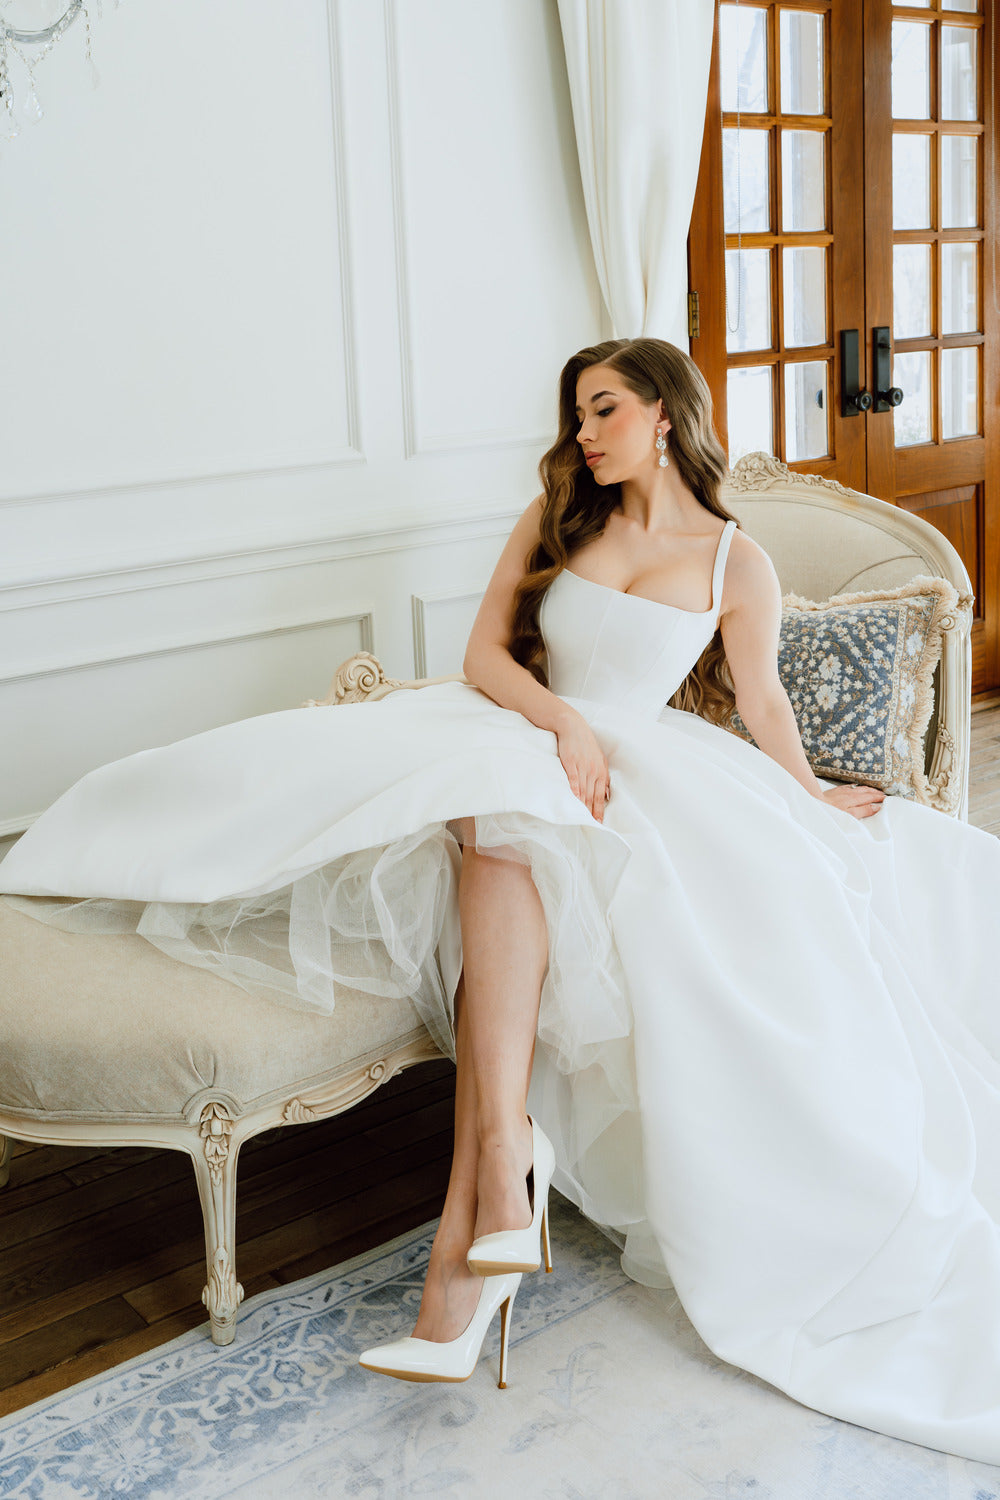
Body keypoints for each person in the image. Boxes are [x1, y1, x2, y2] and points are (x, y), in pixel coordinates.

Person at [2, 339, 999, 1465]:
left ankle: (475, 1220)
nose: (582, 429)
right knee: (458, 810)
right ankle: (495, 1187)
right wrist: (563, 724)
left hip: (644, 775)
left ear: (664, 415)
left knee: (502, 835)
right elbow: (483, 654)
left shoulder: (736, 560)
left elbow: (762, 702)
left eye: (604, 407)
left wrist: (813, 794)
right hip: (529, 732)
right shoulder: (558, 520)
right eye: (576, 410)